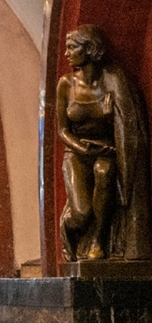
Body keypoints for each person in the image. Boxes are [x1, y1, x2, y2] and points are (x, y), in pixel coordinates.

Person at [57, 25, 151, 262]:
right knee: (81, 213)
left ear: (89, 49)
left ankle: (99, 241)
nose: (66, 53)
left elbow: (126, 125)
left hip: (105, 151)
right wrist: (81, 148)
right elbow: (62, 130)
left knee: (105, 171)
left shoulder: (113, 80)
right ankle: (68, 230)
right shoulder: (66, 84)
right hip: (77, 153)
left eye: (72, 47)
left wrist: (111, 118)